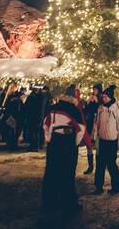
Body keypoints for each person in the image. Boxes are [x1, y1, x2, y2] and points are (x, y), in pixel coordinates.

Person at [41, 85, 85, 215]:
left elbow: (45, 124)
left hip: (54, 142)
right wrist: (75, 143)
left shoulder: (53, 108)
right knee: (67, 173)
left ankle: (49, 202)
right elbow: (81, 129)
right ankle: (68, 203)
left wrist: (49, 138)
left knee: (51, 172)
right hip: (67, 142)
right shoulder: (74, 110)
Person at [92, 85, 119, 195]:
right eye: (104, 96)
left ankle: (117, 186)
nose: (104, 98)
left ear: (111, 97)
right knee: (100, 164)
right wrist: (94, 137)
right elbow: (96, 124)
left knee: (111, 164)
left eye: (106, 97)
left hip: (112, 141)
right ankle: (98, 186)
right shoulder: (101, 108)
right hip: (102, 140)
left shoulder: (117, 110)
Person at [82, 83, 102, 174]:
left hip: (97, 125)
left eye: (96, 90)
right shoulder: (90, 98)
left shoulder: (102, 99)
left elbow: (100, 110)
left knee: (98, 146)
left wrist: (97, 102)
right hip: (89, 124)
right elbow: (86, 110)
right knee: (89, 145)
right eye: (93, 89)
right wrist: (88, 102)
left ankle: (99, 167)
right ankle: (90, 167)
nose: (94, 91)